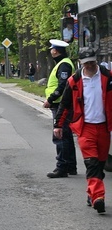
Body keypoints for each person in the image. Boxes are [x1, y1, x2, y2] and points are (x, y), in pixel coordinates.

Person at [54, 48, 112, 214]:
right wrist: (58, 124)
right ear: (80, 63)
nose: (90, 65)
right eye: (86, 63)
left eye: (92, 62)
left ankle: (91, 193)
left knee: (100, 164)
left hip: (104, 128)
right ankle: (98, 197)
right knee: (92, 163)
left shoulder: (108, 77)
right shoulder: (74, 81)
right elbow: (65, 104)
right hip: (85, 128)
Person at [43, 39, 77, 178]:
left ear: (55, 51)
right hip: (61, 104)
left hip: (60, 104)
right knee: (66, 135)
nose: (51, 51)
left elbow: (63, 85)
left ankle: (62, 167)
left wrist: (50, 99)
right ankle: (70, 166)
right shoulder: (64, 64)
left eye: (52, 49)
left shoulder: (64, 65)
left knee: (60, 135)